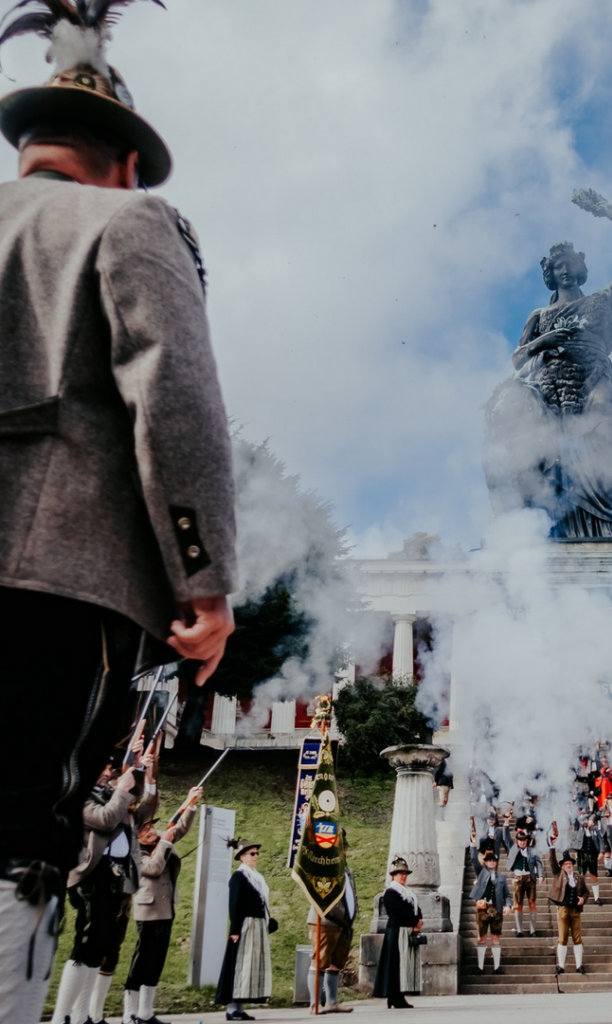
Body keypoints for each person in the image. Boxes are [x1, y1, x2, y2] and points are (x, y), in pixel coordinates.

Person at [0, 4, 237, 1019]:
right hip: (50, 583)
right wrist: (203, 580)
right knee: (18, 831)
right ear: (127, 164)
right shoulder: (131, 225)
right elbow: (174, 404)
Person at [484, 188, 612, 537]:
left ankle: (610, 525)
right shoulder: (539, 315)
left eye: (571, 265)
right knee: (550, 457)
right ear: (551, 274)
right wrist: (546, 340)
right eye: (559, 267)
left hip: (595, 378)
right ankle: (555, 527)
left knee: (610, 439)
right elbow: (517, 358)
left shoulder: (600, 300)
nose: (566, 271)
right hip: (552, 388)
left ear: (580, 268)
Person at [52, 750, 154, 1024]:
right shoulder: (78, 798)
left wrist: (140, 767)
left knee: (99, 947)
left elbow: (135, 797)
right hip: (89, 877)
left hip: (111, 879)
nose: (107, 773)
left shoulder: (108, 794)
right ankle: (61, 1017)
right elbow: (107, 818)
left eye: (109, 769)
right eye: (102, 769)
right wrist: (122, 788)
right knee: (85, 946)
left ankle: (81, 1015)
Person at [123, 788, 201, 1024]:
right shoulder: (135, 852)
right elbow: (153, 868)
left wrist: (191, 804)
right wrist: (165, 843)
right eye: (146, 829)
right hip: (148, 912)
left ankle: (145, 1013)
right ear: (137, 836)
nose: (152, 831)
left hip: (166, 910)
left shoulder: (160, 842)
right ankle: (129, 1014)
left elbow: (179, 828)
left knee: (156, 961)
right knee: (141, 961)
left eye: (152, 827)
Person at [217, 840, 275, 1021]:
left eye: (257, 853)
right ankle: (232, 1008)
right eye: (252, 854)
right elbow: (234, 904)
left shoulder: (255, 876)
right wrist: (235, 929)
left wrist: (268, 920)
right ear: (242, 857)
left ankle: (239, 1007)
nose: (256, 856)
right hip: (245, 925)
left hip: (256, 924)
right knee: (240, 964)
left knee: (249, 966)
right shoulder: (239, 877)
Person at [307, 829, 358, 1014]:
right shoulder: (323, 867)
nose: (341, 851)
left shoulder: (347, 871)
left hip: (343, 924)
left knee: (336, 963)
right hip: (325, 920)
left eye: (343, 848)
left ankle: (332, 1002)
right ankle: (314, 1003)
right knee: (320, 961)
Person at [373, 857, 423, 1010]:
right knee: (396, 965)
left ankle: (398, 996)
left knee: (404, 965)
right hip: (396, 931)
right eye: (400, 873)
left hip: (406, 931)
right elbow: (397, 911)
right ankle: (395, 996)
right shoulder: (391, 892)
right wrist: (415, 920)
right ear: (393, 875)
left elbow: (415, 908)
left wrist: (418, 920)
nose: (403, 876)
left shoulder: (407, 893)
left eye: (405, 873)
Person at [548, 843, 589, 975]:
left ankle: (579, 965)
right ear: (562, 866)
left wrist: (583, 898)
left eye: (570, 863)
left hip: (576, 911)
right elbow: (552, 861)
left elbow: (586, 892)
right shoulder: (558, 874)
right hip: (563, 910)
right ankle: (561, 966)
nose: (568, 865)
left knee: (577, 938)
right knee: (562, 938)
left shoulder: (579, 878)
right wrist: (553, 847)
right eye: (566, 864)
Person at [470, 850, 511, 974]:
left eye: (494, 861)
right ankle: (480, 967)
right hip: (483, 908)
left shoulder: (502, 877)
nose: (492, 863)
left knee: (495, 937)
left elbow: (507, 894)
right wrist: (473, 844)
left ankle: (497, 966)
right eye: (489, 861)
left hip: (497, 908)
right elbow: (473, 859)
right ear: (486, 862)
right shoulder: (481, 872)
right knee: (482, 937)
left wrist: (508, 905)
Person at [504, 829, 544, 937]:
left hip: (530, 878)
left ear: (527, 841)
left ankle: (532, 930)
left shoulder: (532, 850)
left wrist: (540, 875)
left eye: (524, 840)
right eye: (520, 840)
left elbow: (538, 863)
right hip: (518, 879)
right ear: (517, 841)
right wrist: (506, 824)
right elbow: (506, 838)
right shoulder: (513, 849)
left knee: (532, 902)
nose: (522, 842)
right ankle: (519, 930)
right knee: (518, 904)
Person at [570, 808, 605, 905]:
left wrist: (602, 851)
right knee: (582, 876)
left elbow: (601, 840)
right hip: (582, 855)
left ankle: (596, 897)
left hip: (593, 855)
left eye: (585, 819)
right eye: (582, 820)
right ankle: (580, 895)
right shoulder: (578, 829)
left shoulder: (595, 829)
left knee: (594, 876)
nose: (584, 822)